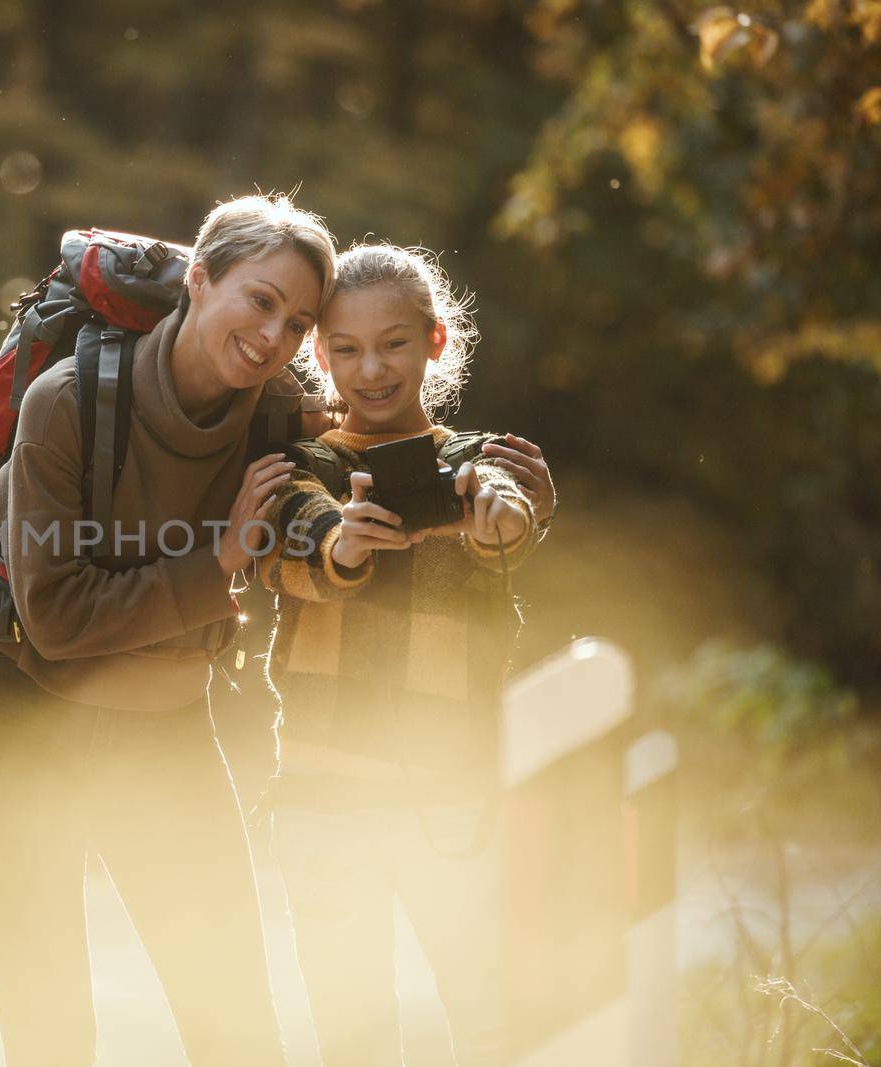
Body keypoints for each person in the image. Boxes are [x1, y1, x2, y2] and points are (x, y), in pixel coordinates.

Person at [0, 193, 336, 1066]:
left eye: (298, 322)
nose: (274, 337)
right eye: (259, 300)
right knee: (54, 1036)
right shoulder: (66, 401)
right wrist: (217, 561)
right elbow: (59, 616)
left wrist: (486, 482)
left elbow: (387, 439)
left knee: (236, 1028)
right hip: (12, 720)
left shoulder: (277, 414)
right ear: (199, 276)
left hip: (162, 729)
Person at [256, 241, 551, 1067]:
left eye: (392, 343)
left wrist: (505, 521)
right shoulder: (299, 465)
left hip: (449, 801)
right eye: (344, 348)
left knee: (493, 1026)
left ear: (435, 340)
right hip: (321, 800)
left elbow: (508, 521)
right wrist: (341, 548)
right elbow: (290, 541)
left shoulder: (477, 462)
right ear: (318, 356)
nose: (370, 368)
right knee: (356, 1043)